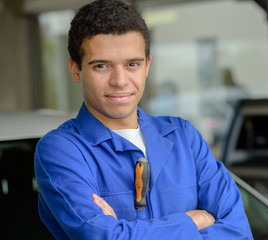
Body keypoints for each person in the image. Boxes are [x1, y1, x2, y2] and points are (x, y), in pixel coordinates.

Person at [34, 0, 253, 239]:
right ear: (75, 70)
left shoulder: (183, 137)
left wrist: (126, 231)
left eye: (132, 64)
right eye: (102, 66)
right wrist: (194, 220)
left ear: (147, 65)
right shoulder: (62, 151)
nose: (120, 80)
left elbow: (237, 232)